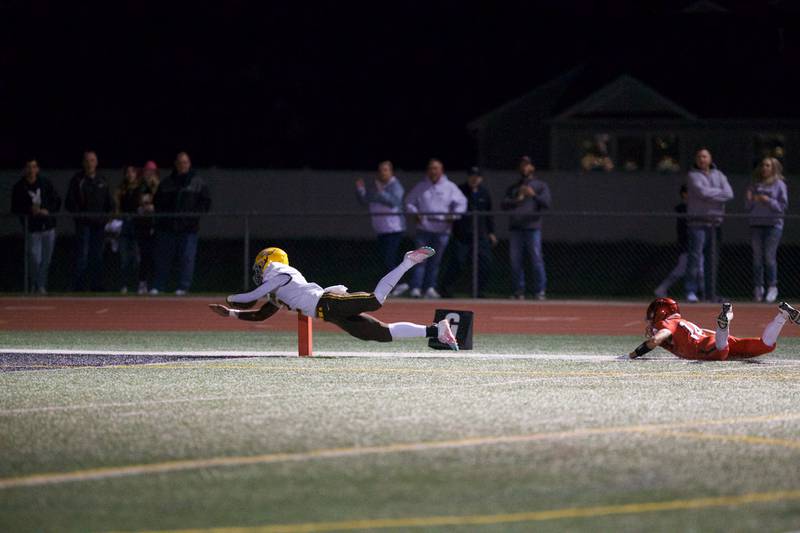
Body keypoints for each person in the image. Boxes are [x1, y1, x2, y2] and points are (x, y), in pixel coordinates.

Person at [209, 246, 459, 350]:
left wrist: (232, 298)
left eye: (259, 266)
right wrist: (230, 313)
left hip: (327, 303)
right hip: (328, 313)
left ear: (267, 262)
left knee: (375, 300)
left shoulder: (279, 273)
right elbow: (260, 313)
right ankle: (436, 331)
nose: (257, 271)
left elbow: (252, 296)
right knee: (380, 334)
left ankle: (407, 261)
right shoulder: (276, 290)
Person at [624, 297, 799, 361]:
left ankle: (726, 321)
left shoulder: (667, 324)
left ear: (660, 313)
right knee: (765, 345)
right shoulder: (681, 321)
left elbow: (656, 340)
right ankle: (782, 316)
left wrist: (634, 354)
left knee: (721, 352)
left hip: (709, 345)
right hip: (715, 337)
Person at [403, 159, 467, 298]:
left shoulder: (450, 187)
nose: (433, 171)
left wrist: (453, 215)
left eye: (436, 168)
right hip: (424, 229)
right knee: (419, 260)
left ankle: (430, 288)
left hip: (442, 230)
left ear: (441, 170)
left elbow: (462, 203)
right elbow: (409, 202)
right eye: (431, 168)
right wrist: (415, 213)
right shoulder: (421, 186)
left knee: (435, 261)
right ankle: (416, 288)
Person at [151, 152, 211, 295]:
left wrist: (192, 218)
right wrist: (163, 219)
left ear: (189, 164)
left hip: (188, 229)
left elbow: (205, 203)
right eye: (180, 162)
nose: (182, 165)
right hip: (167, 228)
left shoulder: (197, 182)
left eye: (185, 162)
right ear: (176, 164)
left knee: (186, 259)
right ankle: (159, 286)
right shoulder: (167, 182)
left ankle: (183, 287)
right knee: (163, 259)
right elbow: (158, 202)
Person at [684, 148, 733, 303]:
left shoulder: (719, 175)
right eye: (699, 156)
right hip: (697, 222)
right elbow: (701, 192)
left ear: (710, 159)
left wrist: (712, 193)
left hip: (714, 223)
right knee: (695, 257)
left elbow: (729, 194)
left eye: (705, 156)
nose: (702, 159)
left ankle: (710, 293)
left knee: (712, 260)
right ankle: (691, 291)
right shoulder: (692, 176)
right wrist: (719, 193)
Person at [440, 166, 497, 298]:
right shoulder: (460, 191)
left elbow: (489, 214)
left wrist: (491, 232)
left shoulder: (484, 193)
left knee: (485, 263)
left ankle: (477, 291)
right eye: (472, 176)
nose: (474, 179)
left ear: (481, 178)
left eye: (477, 176)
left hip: (480, 235)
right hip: (462, 234)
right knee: (458, 262)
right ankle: (445, 289)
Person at [502, 156, 551, 300]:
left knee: (536, 259)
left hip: (532, 227)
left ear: (532, 168)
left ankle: (540, 291)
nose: (524, 168)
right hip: (516, 228)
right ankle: (518, 291)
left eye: (527, 165)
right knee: (515, 260)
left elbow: (546, 204)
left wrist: (533, 195)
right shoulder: (514, 187)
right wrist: (517, 199)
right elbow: (504, 205)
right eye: (522, 165)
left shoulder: (540, 185)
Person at [65, 150, 114, 291]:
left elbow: (109, 203)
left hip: (99, 226)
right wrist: (80, 216)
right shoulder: (77, 180)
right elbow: (70, 203)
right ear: (83, 163)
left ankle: (96, 286)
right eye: (87, 160)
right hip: (84, 226)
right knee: (82, 256)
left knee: (97, 256)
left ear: (96, 162)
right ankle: (78, 287)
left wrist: (106, 218)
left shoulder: (102, 180)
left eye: (92, 160)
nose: (90, 163)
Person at [11, 158, 61, 294]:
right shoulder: (20, 187)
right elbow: (15, 207)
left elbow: (57, 200)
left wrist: (47, 210)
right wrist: (29, 210)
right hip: (33, 229)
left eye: (33, 167)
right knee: (35, 259)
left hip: (48, 228)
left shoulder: (45, 183)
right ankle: (35, 284)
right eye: (28, 167)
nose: (31, 170)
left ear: (37, 169)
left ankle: (41, 286)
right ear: (25, 169)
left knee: (46, 260)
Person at [745, 157, 788, 303]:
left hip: (773, 225)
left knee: (769, 257)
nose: (765, 168)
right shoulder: (754, 184)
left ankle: (772, 287)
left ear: (774, 168)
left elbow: (782, 207)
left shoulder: (779, 184)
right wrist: (750, 199)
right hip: (756, 224)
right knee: (757, 258)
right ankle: (758, 287)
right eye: (763, 165)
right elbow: (748, 207)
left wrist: (767, 200)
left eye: (768, 165)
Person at [355, 160, 406, 274]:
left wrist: (380, 191)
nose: (382, 173)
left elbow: (393, 201)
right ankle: (397, 284)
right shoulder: (376, 186)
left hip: (393, 229)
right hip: (381, 229)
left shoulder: (395, 186)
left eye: (385, 170)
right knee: (385, 259)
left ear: (391, 172)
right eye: (380, 170)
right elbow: (365, 200)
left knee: (389, 259)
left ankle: (396, 284)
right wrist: (360, 190)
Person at [654, 185, 704, 298]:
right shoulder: (683, 208)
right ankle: (662, 288)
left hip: (695, 243)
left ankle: (704, 292)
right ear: (684, 194)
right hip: (686, 244)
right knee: (682, 269)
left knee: (700, 269)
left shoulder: (695, 208)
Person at [115, 165, 143, 294]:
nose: (130, 174)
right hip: (125, 225)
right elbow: (117, 207)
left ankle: (140, 285)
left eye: (132, 172)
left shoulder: (140, 188)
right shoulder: (121, 189)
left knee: (137, 259)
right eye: (127, 172)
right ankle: (124, 285)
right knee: (124, 258)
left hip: (137, 226)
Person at [135, 161, 160, 294]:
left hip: (156, 226)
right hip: (143, 227)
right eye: (147, 171)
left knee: (155, 256)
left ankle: (155, 285)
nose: (149, 174)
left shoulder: (159, 186)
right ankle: (142, 283)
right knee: (144, 256)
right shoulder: (139, 186)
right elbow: (134, 202)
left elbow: (163, 202)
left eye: (152, 172)